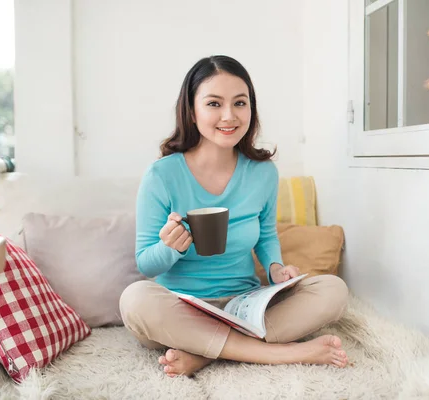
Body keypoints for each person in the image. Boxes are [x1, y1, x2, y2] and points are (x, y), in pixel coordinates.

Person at [119, 55, 349, 378]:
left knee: (334, 290)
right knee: (134, 300)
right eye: (214, 104)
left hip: (245, 307)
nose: (229, 116)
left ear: (250, 108)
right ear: (191, 109)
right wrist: (172, 247)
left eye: (240, 103)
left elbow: (266, 235)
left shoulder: (263, 173)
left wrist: (275, 269)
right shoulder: (161, 175)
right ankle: (281, 353)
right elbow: (146, 263)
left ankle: (204, 354)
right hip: (182, 310)